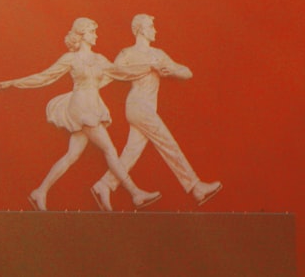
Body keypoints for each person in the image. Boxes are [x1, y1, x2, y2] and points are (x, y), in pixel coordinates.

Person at [0, 17, 161, 211]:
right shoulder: (70, 59)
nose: (96, 35)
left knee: (71, 155)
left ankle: (40, 190)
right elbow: (44, 77)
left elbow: (124, 72)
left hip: (93, 106)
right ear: (81, 34)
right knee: (109, 150)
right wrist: (12, 83)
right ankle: (134, 193)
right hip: (81, 107)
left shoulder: (99, 59)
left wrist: (148, 67)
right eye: (92, 31)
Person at [89, 14, 221, 211]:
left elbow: (187, 72)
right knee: (167, 143)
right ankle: (195, 186)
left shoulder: (158, 54)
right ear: (141, 29)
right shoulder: (128, 53)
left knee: (131, 151)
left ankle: (105, 185)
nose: (155, 30)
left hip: (146, 108)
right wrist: (147, 66)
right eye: (151, 27)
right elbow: (115, 71)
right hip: (137, 105)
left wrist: (172, 72)